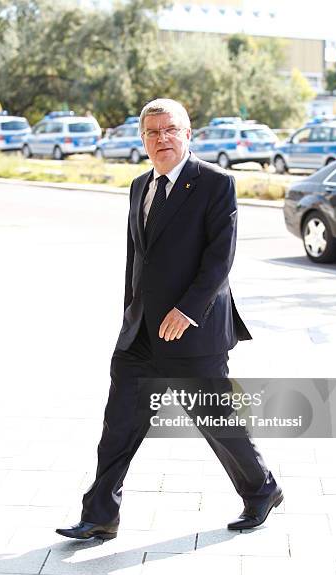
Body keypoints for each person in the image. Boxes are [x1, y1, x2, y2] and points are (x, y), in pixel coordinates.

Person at [56, 98, 282, 541]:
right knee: (118, 424)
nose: (162, 139)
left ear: (187, 133)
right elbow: (135, 259)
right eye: (153, 132)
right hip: (141, 334)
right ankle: (100, 512)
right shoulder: (140, 185)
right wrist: (128, 315)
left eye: (170, 130)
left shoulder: (215, 183)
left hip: (192, 333)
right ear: (143, 140)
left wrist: (187, 311)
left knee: (217, 422)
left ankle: (262, 490)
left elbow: (220, 260)